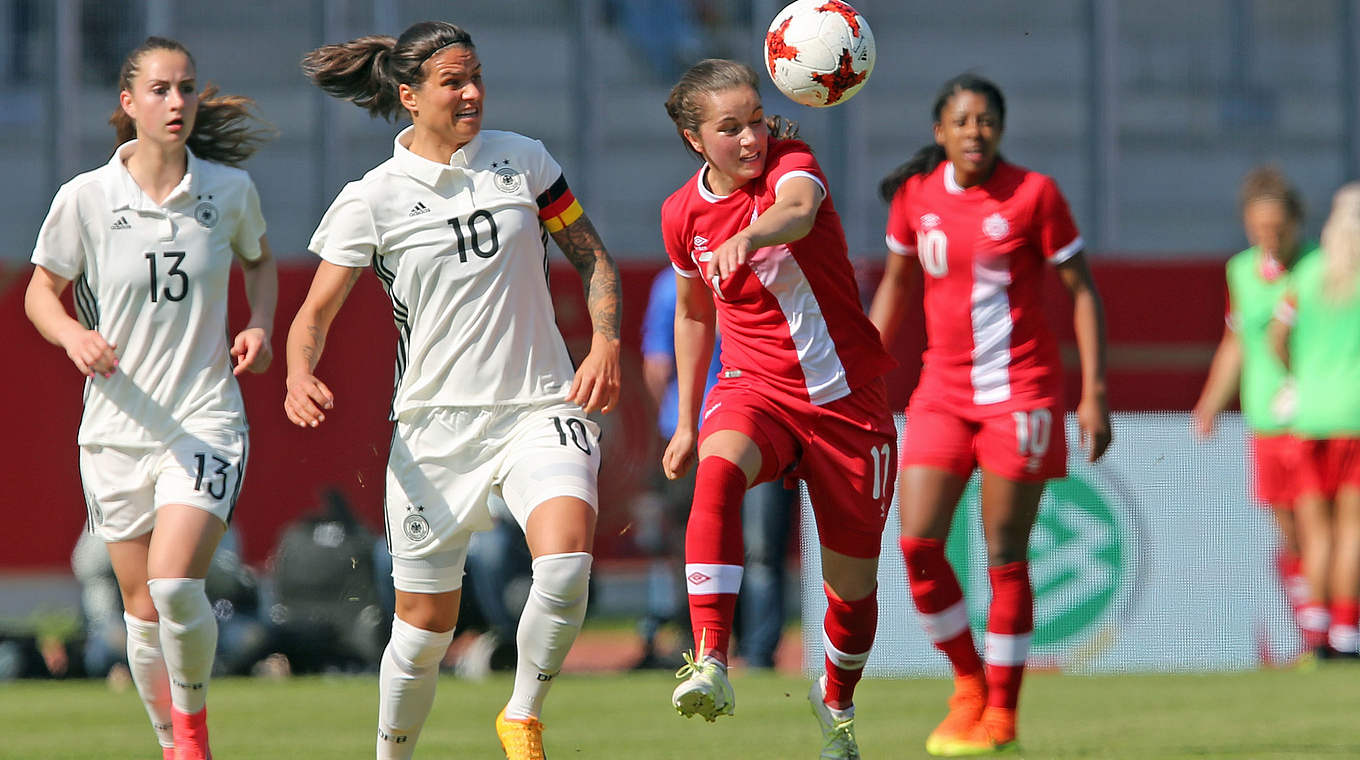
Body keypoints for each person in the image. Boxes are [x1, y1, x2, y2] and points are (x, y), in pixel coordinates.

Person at [284, 21, 621, 760]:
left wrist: (606, 342)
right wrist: (298, 371)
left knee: (565, 563)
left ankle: (522, 714)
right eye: (452, 82)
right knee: (422, 630)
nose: (472, 93)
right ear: (408, 96)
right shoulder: (370, 199)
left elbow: (592, 256)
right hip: (434, 431)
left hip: (539, 405)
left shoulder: (523, 161)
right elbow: (313, 314)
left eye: (476, 77)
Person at [23, 36, 276, 760]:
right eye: (160, 90)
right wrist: (73, 336)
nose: (177, 102)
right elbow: (42, 291)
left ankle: (193, 735)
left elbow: (260, 265)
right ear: (128, 103)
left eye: (187, 88)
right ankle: (171, 743)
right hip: (114, 431)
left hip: (204, 421)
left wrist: (259, 324)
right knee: (139, 611)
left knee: (171, 587)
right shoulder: (87, 198)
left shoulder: (229, 191)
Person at [659, 58, 897, 758]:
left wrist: (752, 235)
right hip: (756, 390)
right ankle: (710, 660)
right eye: (729, 128)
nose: (750, 138)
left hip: (846, 402)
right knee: (716, 469)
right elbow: (693, 311)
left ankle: (837, 706)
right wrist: (683, 420)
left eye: (755, 120)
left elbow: (797, 213)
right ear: (694, 138)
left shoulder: (794, 163)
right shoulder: (682, 214)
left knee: (851, 592)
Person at [868, 73, 1111, 756]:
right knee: (917, 544)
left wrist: (1094, 390)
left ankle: (1002, 712)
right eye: (963, 120)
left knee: (1005, 555)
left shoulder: (1035, 194)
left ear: (1000, 130)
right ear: (940, 131)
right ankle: (968, 684)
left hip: (1020, 394)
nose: (976, 131)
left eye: (987, 121)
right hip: (942, 391)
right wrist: (858, 378)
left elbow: (1082, 292)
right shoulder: (917, 198)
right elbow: (895, 288)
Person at [635, 269, 797, 670]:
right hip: (752, 425)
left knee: (701, 542)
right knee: (759, 547)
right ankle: (755, 652)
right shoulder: (766, 271)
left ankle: (706, 647)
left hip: (711, 426)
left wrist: (673, 422)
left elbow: (656, 366)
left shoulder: (670, 284)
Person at [1193, 166, 1317, 653]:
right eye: (1258, 229)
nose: (1269, 238)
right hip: (1266, 420)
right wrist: (1209, 402)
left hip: (1316, 418)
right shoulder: (1241, 271)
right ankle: (1314, 633)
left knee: (1322, 525)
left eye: (1278, 228)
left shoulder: (1322, 266)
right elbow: (1237, 342)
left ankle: (1332, 632)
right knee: (1287, 526)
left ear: (1297, 223)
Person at [1268, 182, 1360, 659]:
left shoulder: (1307, 276)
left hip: (1309, 418)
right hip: (1355, 418)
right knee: (1352, 531)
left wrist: (1299, 374)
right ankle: (1347, 634)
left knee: (1316, 533)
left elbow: (1276, 337)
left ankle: (1316, 633)